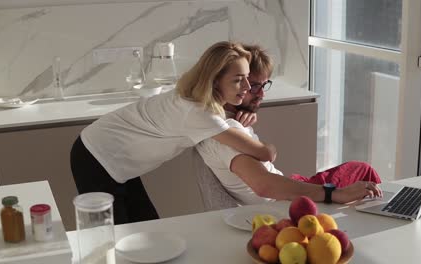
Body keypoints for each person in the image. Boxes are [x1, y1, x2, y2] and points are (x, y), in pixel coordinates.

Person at [70, 41, 278, 224]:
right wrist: (260, 138)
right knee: (114, 239)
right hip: (95, 157)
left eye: (248, 80)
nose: (248, 86)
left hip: (114, 154)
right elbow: (265, 153)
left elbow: (223, 117)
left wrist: (246, 113)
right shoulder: (200, 114)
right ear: (215, 80)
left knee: (146, 227)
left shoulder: (194, 95)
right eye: (238, 79)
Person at [196, 44, 382, 205]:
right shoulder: (225, 132)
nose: (260, 94)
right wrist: (334, 194)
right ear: (219, 83)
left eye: (263, 85)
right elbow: (264, 185)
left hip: (287, 185)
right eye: (251, 85)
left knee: (362, 171)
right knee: (364, 174)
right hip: (284, 202)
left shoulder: (216, 119)